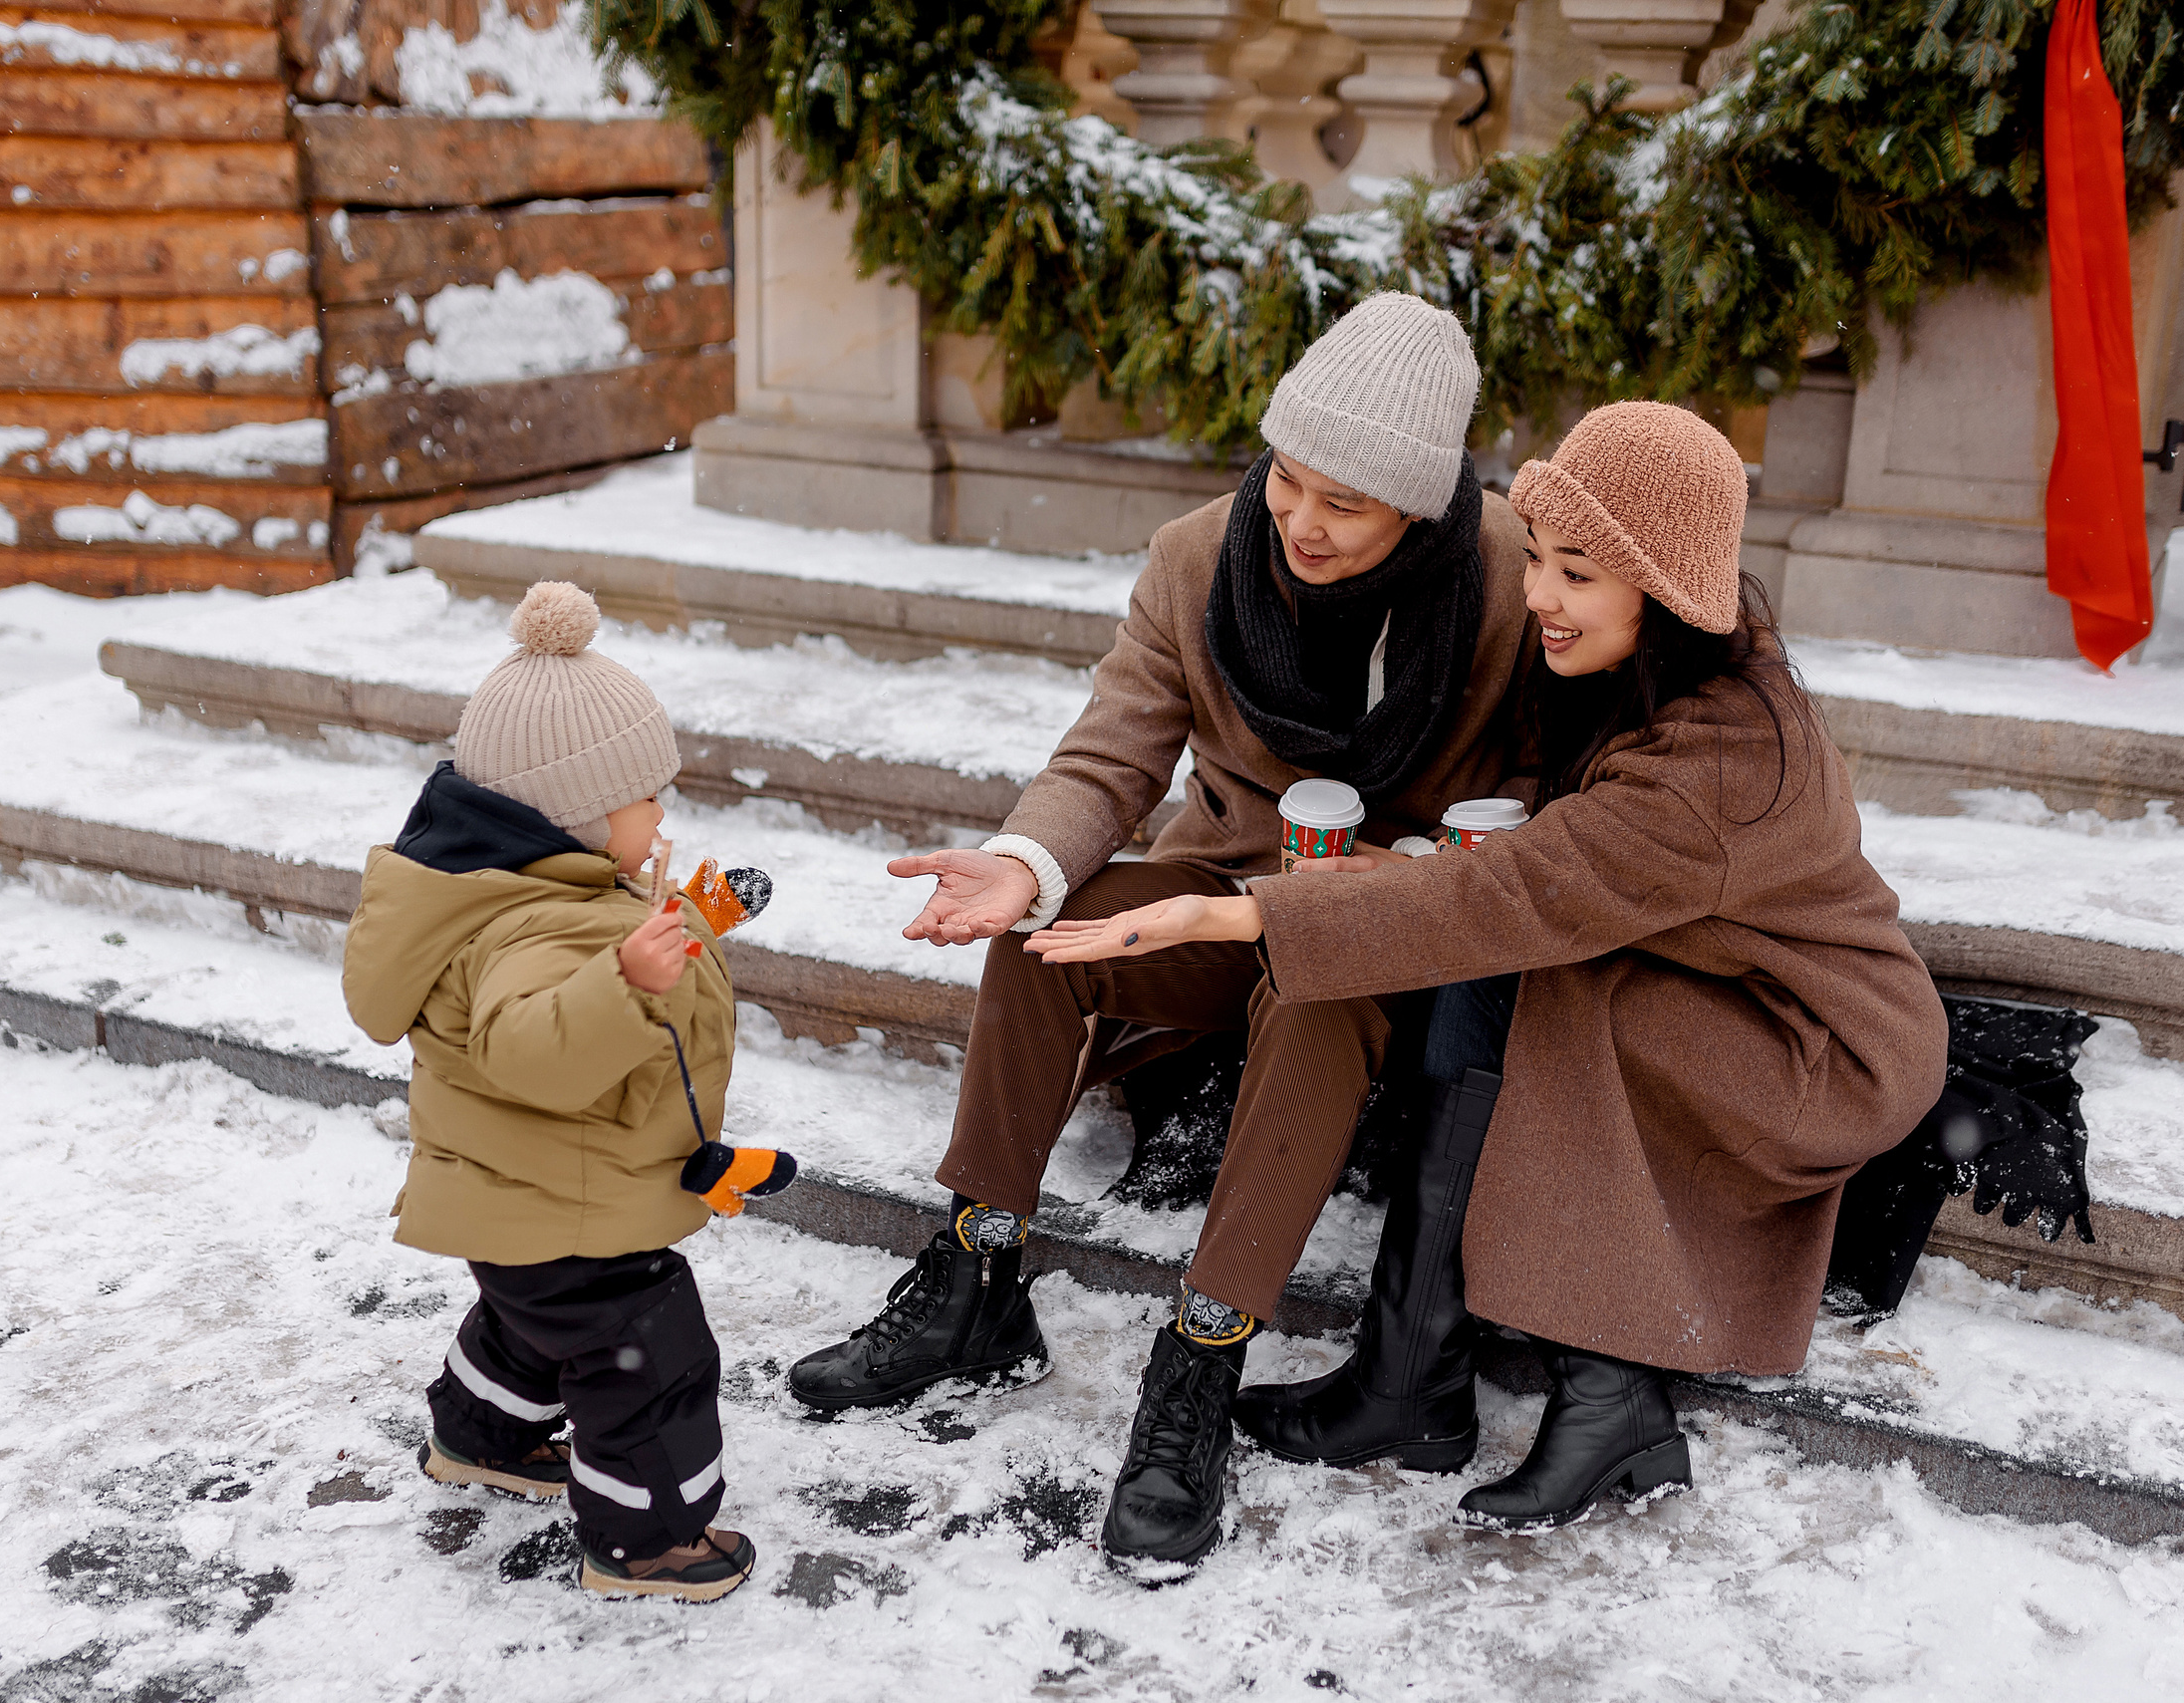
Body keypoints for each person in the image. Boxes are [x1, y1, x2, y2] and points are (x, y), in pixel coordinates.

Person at [1027, 402, 1951, 1532]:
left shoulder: (1713, 763)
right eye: (1539, 561)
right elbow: (1526, 864)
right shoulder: (1645, 675)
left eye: (1575, 573)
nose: (1538, 595)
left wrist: (1243, 914)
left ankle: (1567, 1397)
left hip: (1813, 1047)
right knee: (1508, 967)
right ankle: (1418, 1383)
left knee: (1525, 972)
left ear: (1662, 594)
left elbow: (1514, 892)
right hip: (1712, 990)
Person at [785, 292, 1536, 1574]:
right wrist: (1022, 861)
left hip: (1389, 932)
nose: (1301, 520)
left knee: (1311, 980)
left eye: (1345, 504)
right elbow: (1111, 753)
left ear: (1422, 505)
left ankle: (1200, 1354)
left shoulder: (1517, 586)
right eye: (1287, 479)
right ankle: (975, 1280)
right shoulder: (1197, 558)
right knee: (1043, 931)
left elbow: (1538, 806)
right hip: (1212, 891)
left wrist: (1396, 871)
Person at [344, 581, 793, 1602]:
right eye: (648, 798)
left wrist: (696, 916)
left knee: (529, 1322)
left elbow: (609, 933)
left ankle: (481, 1437)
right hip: (568, 1206)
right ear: (579, 815)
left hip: (525, 1201)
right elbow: (529, 1049)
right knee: (645, 1348)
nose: (662, 814)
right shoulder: (531, 927)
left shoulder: (530, 886)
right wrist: (624, 981)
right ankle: (645, 1541)